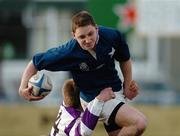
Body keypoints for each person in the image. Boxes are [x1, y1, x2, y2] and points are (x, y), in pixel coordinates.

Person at [19, 10, 147, 136]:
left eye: (90, 34)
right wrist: (22, 88)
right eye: (82, 37)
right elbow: (35, 63)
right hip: (95, 99)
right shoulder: (68, 52)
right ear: (74, 36)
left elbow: (124, 58)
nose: (87, 40)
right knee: (139, 123)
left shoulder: (112, 36)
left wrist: (128, 84)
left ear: (97, 29)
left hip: (115, 92)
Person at [49, 79, 115, 136]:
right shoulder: (72, 120)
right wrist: (100, 99)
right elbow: (84, 132)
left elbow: (68, 86)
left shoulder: (66, 107)